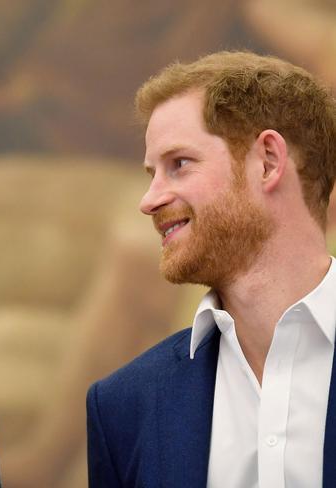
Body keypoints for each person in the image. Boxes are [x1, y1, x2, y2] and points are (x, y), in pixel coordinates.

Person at [86, 51, 336, 487]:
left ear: (268, 162)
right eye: (151, 173)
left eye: (178, 164)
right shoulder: (124, 406)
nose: (148, 200)